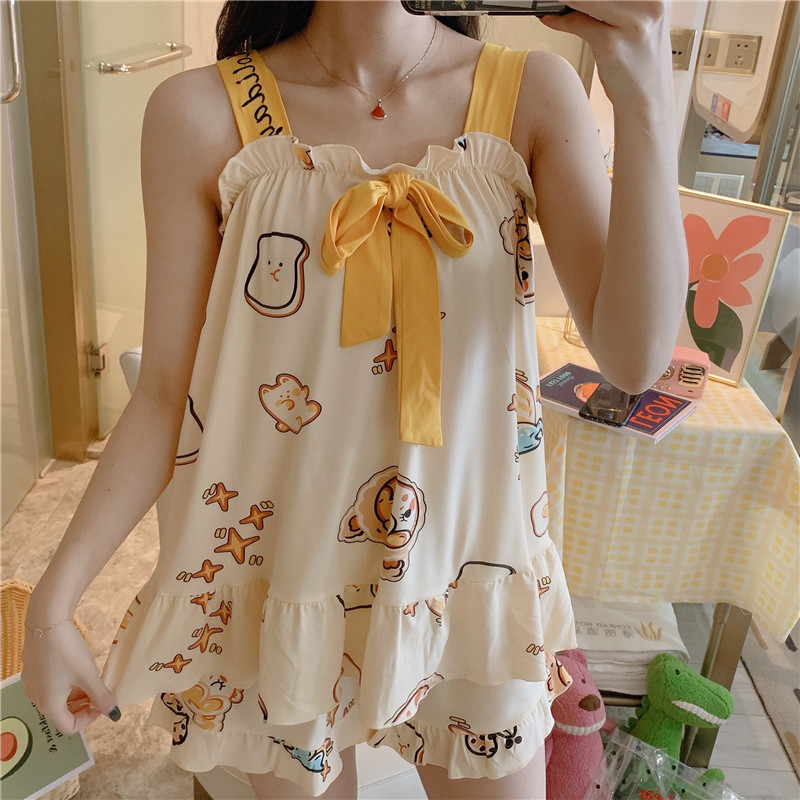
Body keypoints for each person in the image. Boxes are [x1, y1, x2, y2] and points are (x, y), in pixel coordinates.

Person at [21, 2, 688, 798]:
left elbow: (635, 357)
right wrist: (52, 604)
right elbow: (165, 392)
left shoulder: (531, 95)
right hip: (277, 588)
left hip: (472, 576)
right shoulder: (201, 114)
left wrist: (646, 94)